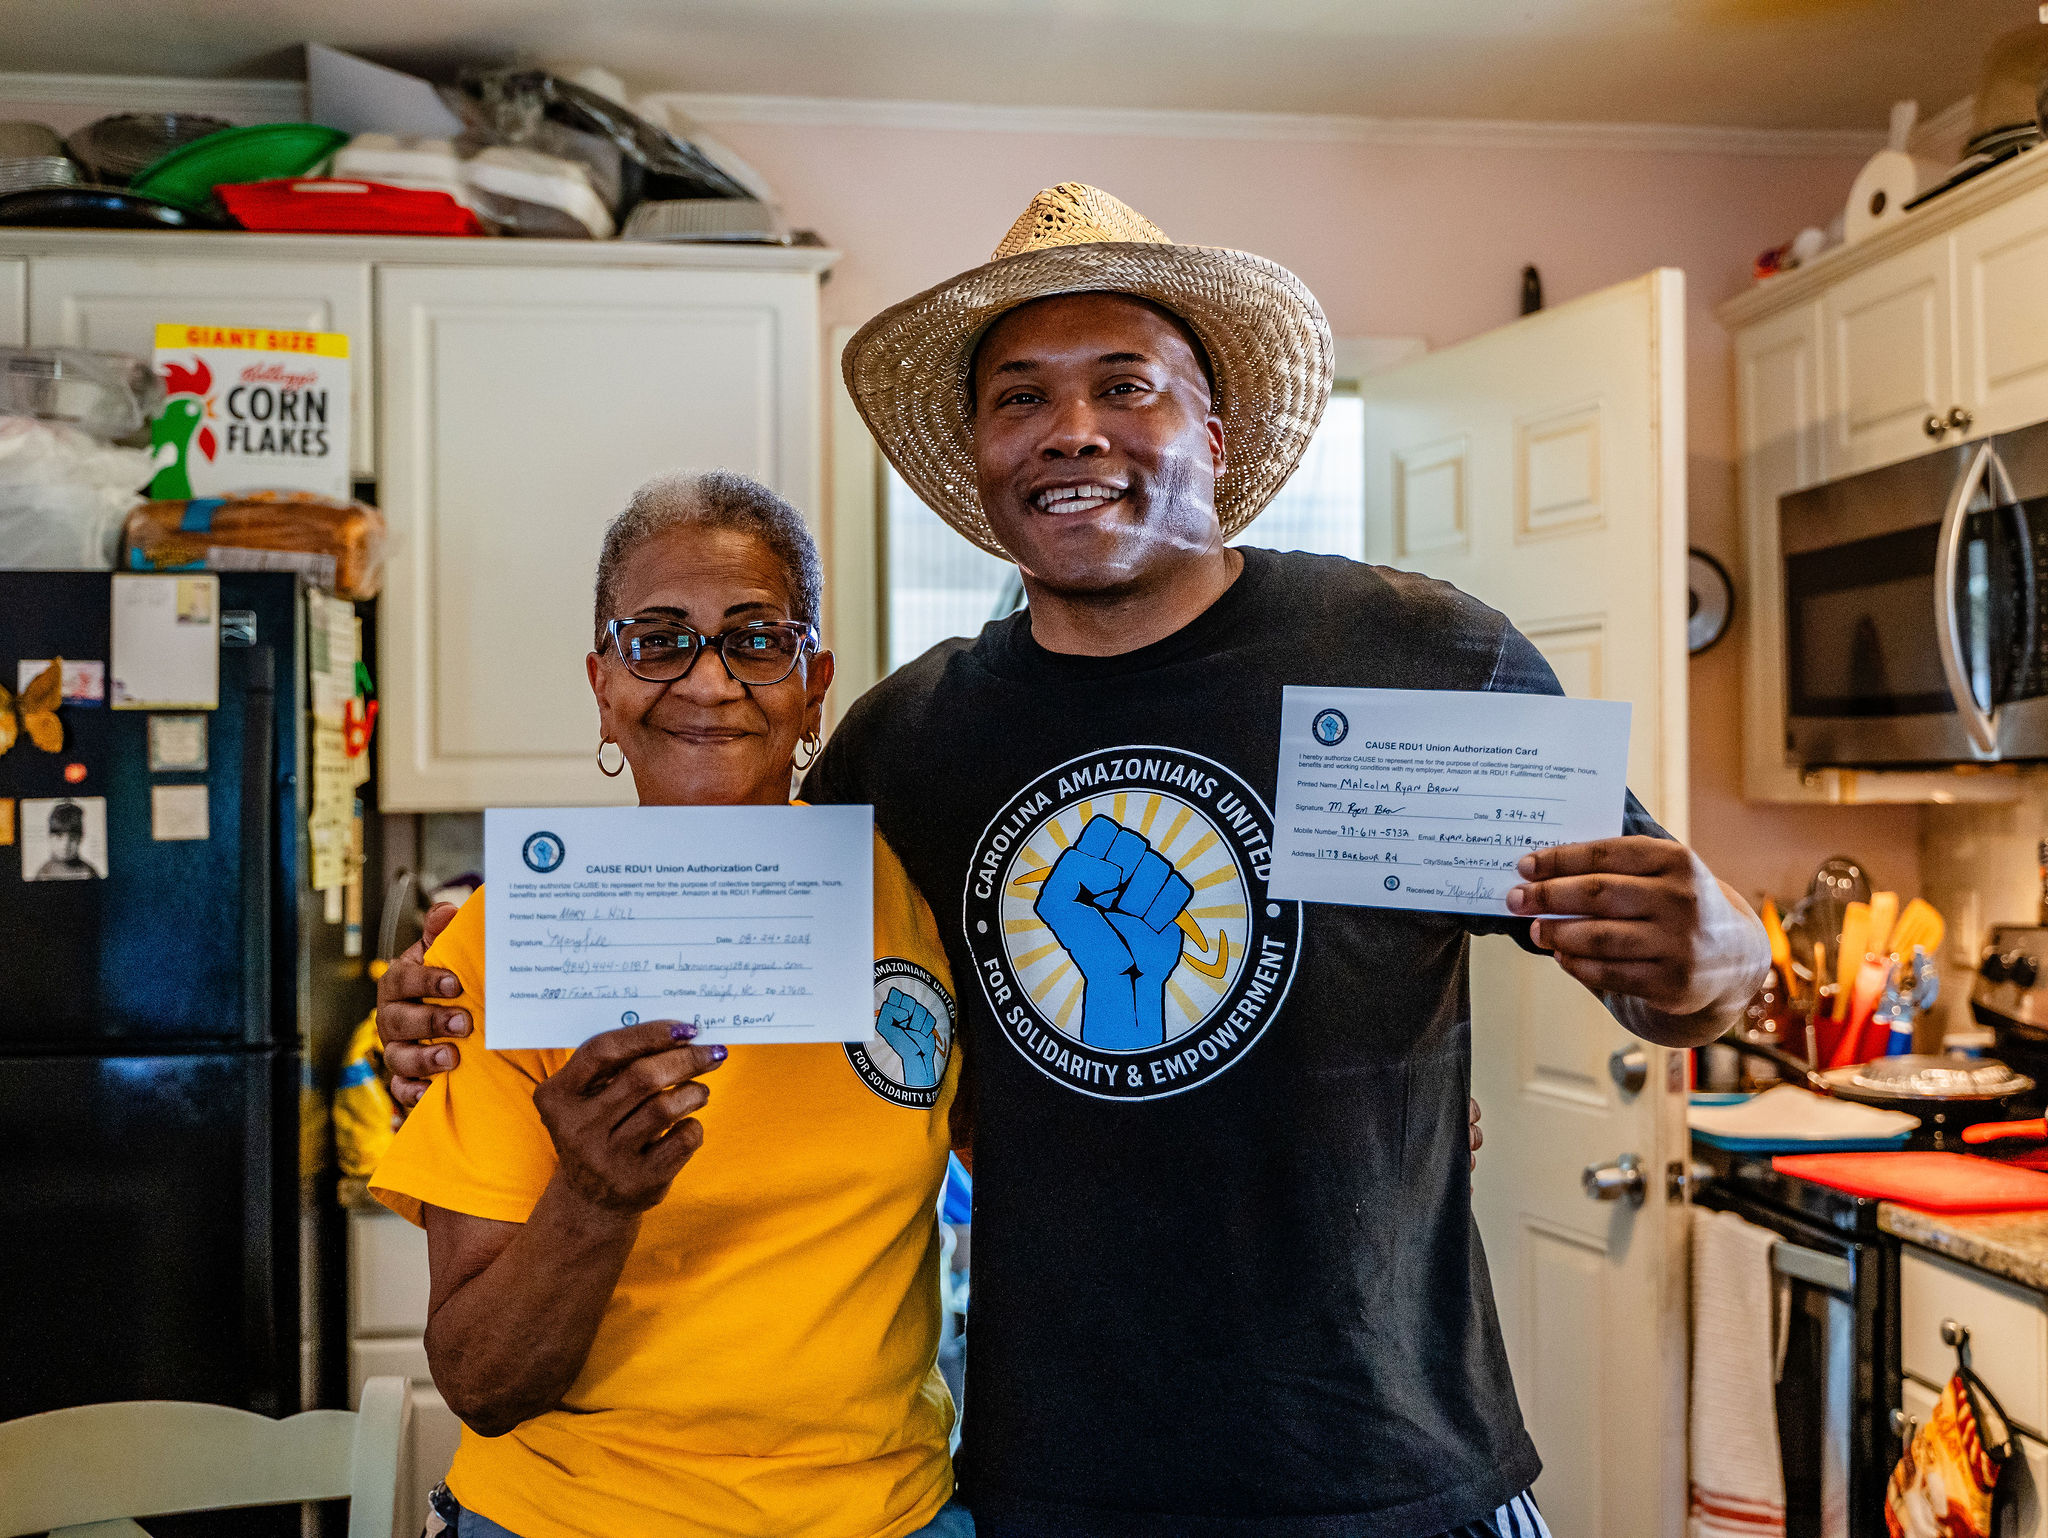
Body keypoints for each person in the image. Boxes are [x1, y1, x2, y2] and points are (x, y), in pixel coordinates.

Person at [381, 186, 1769, 1538]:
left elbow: (1655, 960)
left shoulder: (1409, 654)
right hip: (1055, 1478)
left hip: (1395, 1465)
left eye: (1127, 384)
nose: (1073, 432)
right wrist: (446, 1007)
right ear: (980, 460)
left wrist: (1726, 960)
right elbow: (759, 938)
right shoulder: (911, 743)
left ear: (1214, 431)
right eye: (1021, 398)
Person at [368, 471, 973, 1538]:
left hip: (887, 1514)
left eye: (756, 639)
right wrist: (593, 1196)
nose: (707, 679)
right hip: (577, 1517)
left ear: (813, 680)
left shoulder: (918, 892)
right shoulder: (499, 949)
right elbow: (479, 1379)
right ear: (603, 684)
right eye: (657, 640)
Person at [33, 800, 97, 880]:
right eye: (59, 836)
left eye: (72, 838)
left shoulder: (88, 873)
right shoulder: (43, 874)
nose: (65, 844)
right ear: (50, 837)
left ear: (80, 838)